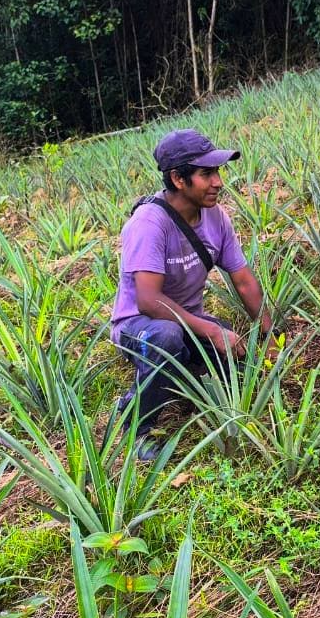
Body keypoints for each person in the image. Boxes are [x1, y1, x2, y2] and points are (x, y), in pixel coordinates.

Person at [110, 128, 271, 434]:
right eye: (206, 173)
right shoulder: (148, 224)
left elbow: (243, 281)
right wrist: (210, 330)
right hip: (139, 326)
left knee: (240, 363)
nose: (218, 182)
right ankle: (137, 426)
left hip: (188, 322)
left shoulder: (216, 217)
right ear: (177, 179)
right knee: (167, 338)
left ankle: (175, 377)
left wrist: (270, 332)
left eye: (218, 172)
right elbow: (148, 301)